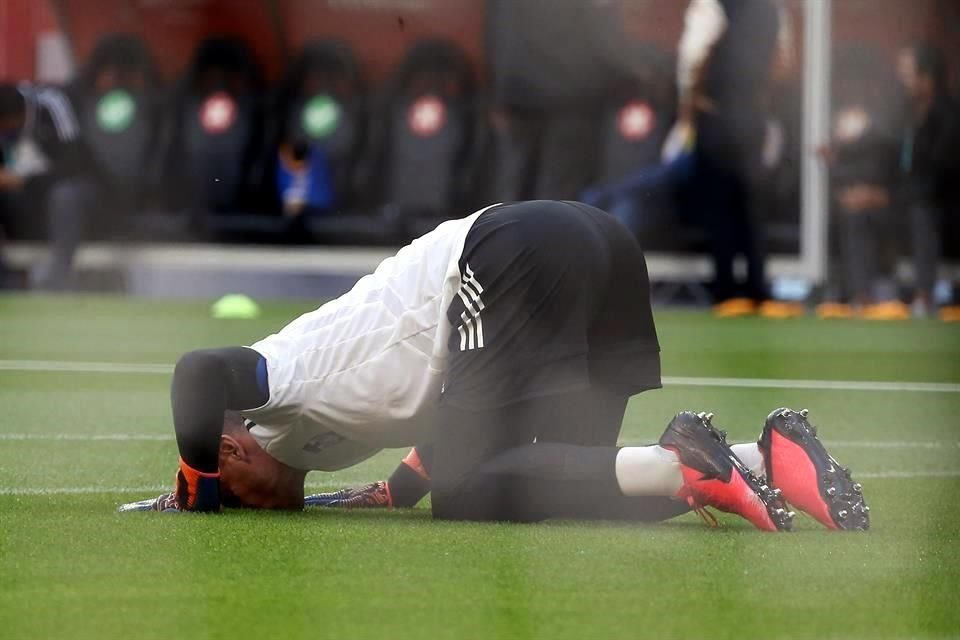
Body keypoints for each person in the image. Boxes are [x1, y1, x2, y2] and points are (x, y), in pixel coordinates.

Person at [121, 201, 868, 532]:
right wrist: (402, 487)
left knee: (474, 497)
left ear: (229, 449)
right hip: (599, 246)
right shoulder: (324, 444)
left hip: (506, 252)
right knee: (557, 483)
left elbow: (196, 372)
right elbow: (446, 412)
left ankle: (683, 462)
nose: (252, 512)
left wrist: (199, 494)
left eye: (237, 497)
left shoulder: (281, 388)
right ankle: (763, 456)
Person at [0, 82, 96, 290]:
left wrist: (23, 180)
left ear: (21, 116)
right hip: (18, 206)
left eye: (7, 127)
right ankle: (6, 280)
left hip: (61, 198)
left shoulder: (50, 105)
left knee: (66, 194)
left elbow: (75, 164)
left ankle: (58, 279)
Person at [896, 43, 958, 319]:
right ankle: (862, 296)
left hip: (942, 199)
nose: (905, 80)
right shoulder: (906, 110)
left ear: (928, 77)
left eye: (911, 73)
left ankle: (924, 295)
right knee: (856, 210)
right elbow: (895, 158)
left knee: (923, 213)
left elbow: (944, 166)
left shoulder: (949, 113)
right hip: (909, 195)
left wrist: (905, 193)